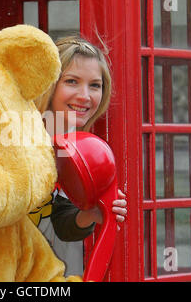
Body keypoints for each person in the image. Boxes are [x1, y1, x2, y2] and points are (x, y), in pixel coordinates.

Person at [30, 35, 127, 277]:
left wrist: (91, 213)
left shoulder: (84, 150)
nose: (85, 95)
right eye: (72, 81)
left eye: (95, 85)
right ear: (49, 84)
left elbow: (62, 223)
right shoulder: (18, 137)